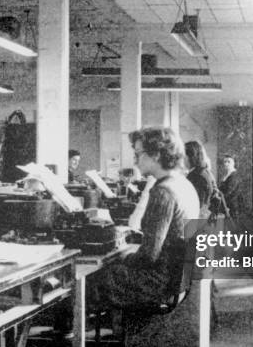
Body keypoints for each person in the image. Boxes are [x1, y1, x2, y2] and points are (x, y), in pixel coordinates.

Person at [89, 127, 199, 309]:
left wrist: (124, 257)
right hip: (177, 279)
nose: (134, 160)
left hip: (158, 282)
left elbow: (149, 255)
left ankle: (68, 334)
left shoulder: (162, 191)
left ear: (156, 154)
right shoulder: (184, 184)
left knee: (90, 278)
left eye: (138, 154)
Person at [185, 140, 216, 219]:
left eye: (183, 156)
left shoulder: (196, 176)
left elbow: (198, 205)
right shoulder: (204, 171)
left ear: (190, 156)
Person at [219, 154, 243, 219]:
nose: (226, 164)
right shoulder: (225, 175)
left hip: (233, 209)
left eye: (229, 162)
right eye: (225, 161)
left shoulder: (234, 176)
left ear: (234, 163)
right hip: (225, 206)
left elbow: (227, 192)